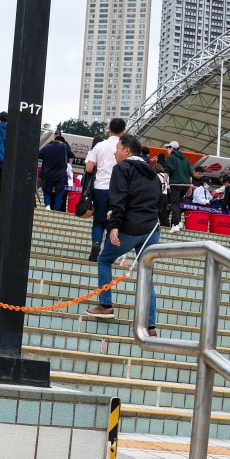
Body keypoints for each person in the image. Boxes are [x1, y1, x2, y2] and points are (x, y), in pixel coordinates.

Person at [85, 134, 160, 336]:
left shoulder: (122, 169)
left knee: (104, 260)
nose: (115, 151)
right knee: (147, 277)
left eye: (118, 148)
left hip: (129, 227)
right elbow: (160, 202)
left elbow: (118, 198)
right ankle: (150, 326)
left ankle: (106, 305)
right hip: (152, 229)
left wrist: (114, 225)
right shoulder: (153, 174)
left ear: (127, 151)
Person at [83, 117, 124, 261]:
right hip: (117, 190)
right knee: (112, 222)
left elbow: (89, 167)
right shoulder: (123, 148)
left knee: (99, 220)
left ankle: (95, 243)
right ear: (123, 132)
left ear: (109, 130)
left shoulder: (99, 146)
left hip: (100, 188)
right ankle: (106, 252)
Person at [162, 140, 193, 232]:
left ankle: (175, 225)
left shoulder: (171, 158)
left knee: (174, 204)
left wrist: (163, 182)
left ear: (172, 148)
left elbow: (168, 170)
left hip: (176, 184)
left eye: (168, 148)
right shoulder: (185, 159)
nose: (167, 150)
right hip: (186, 184)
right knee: (178, 203)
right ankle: (179, 222)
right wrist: (190, 186)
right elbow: (190, 173)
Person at [38, 135, 71, 210]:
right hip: (60, 175)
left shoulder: (47, 147)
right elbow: (72, 155)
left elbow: (39, 154)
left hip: (48, 174)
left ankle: (48, 206)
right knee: (59, 194)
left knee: (47, 192)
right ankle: (56, 210)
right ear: (62, 141)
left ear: (54, 140)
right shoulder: (64, 147)